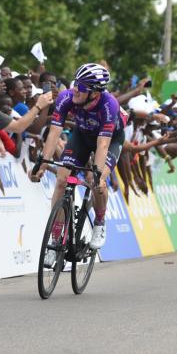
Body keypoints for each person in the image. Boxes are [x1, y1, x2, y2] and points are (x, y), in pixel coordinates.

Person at [37, 63, 126, 266]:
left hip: (110, 140)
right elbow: (54, 132)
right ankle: (55, 240)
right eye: (76, 82)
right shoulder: (67, 97)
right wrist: (43, 162)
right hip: (82, 135)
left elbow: (103, 144)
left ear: (94, 93)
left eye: (82, 86)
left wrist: (97, 173)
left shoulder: (108, 105)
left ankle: (100, 223)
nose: (75, 88)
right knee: (61, 180)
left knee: (99, 182)